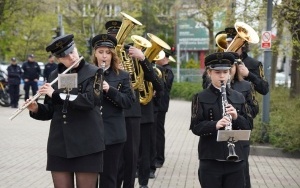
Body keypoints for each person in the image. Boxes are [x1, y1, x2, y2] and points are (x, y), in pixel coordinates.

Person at [25, 34, 105, 188]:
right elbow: (50, 110)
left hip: (87, 143)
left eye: (72, 51)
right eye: (65, 56)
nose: (72, 57)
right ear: (58, 59)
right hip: (60, 144)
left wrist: (55, 94)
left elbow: (89, 102)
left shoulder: (94, 73)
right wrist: (36, 108)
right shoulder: (55, 75)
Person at [190, 52, 252, 188]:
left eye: (225, 72)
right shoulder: (199, 97)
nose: (222, 76)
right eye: (217, 72)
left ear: (230, 73)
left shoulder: (239, 97)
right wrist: (215, 125)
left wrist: (236, 117)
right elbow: (195, 127)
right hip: (211, 159)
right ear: (209, 73)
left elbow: (248, 126)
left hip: (236, 160)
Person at [91, 33, 135, 188]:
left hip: (113, 134)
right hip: (90, 133)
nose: (104, 56)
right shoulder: (86, 74)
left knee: (109, 177)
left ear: (112, 55)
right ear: (95, 54)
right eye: (100, 52)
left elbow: (129, 102)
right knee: (89, 178)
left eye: (108, 53)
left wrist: (109, 90)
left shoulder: (122, 75)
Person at [224, 27, 269, 95]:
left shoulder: (254, 64)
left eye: (232, 42)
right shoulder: (221, 62)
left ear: (243, 44)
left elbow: (264, 89)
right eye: (228, 42)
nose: (229, 45)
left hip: (246, 103)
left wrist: (248, 74)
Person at [153, 49, 174, 168]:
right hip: (157, 104)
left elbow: (164, 87)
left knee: (158, 133)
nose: (156, 58)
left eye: (158, 56)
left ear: (165, 57)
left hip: (161, 105)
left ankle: (159, 158)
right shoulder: (163, 69)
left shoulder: (168, 71)